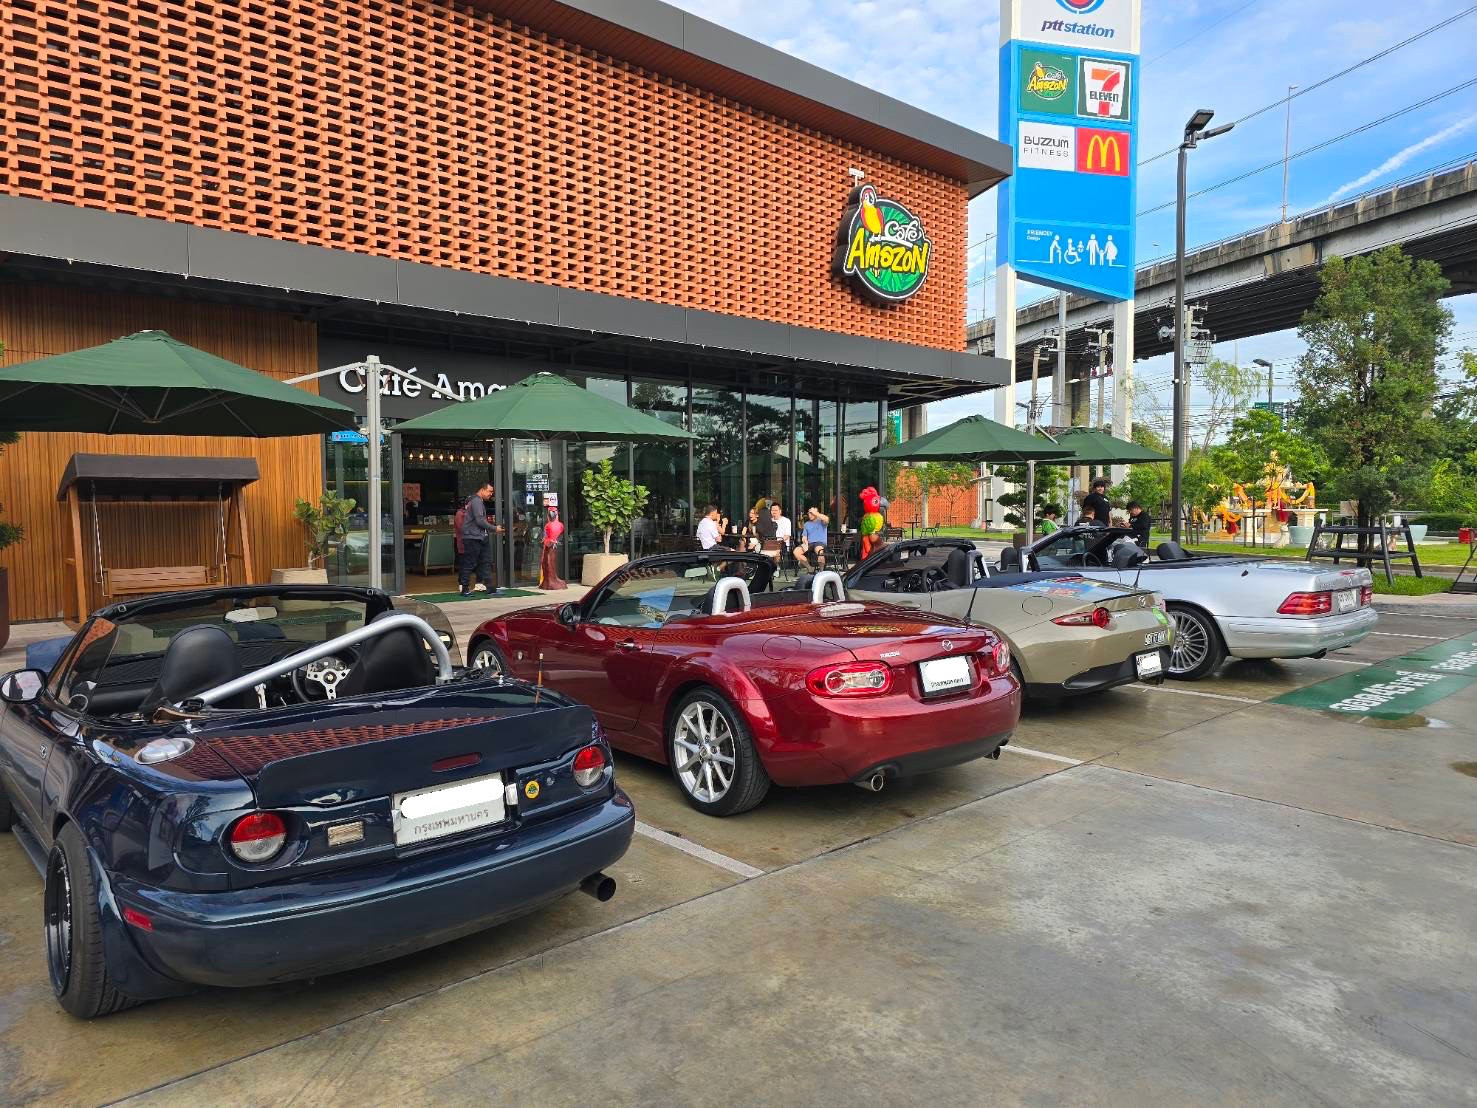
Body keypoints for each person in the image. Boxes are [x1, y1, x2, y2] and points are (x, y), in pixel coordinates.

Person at [457, 482, 501, 596]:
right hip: (473, 537)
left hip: (479, 536)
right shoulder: (476, 501)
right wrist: (494, 528)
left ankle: (489, 587)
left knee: (486, 561)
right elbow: (480, 520)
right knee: (470, 563)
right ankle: (465, 588)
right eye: (490, 491)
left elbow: (480, 520)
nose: (491, 494)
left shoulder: (476, 500)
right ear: (482, 489)